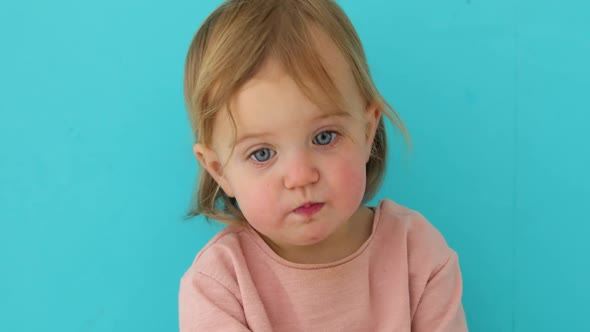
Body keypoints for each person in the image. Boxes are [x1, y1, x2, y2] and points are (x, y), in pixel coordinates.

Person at [178, 0, 468, 331]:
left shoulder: (417, 254)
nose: (301, 177)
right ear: (218, 170)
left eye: (324, 137)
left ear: (367, 130)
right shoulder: (219, 286)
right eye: (262, 154)